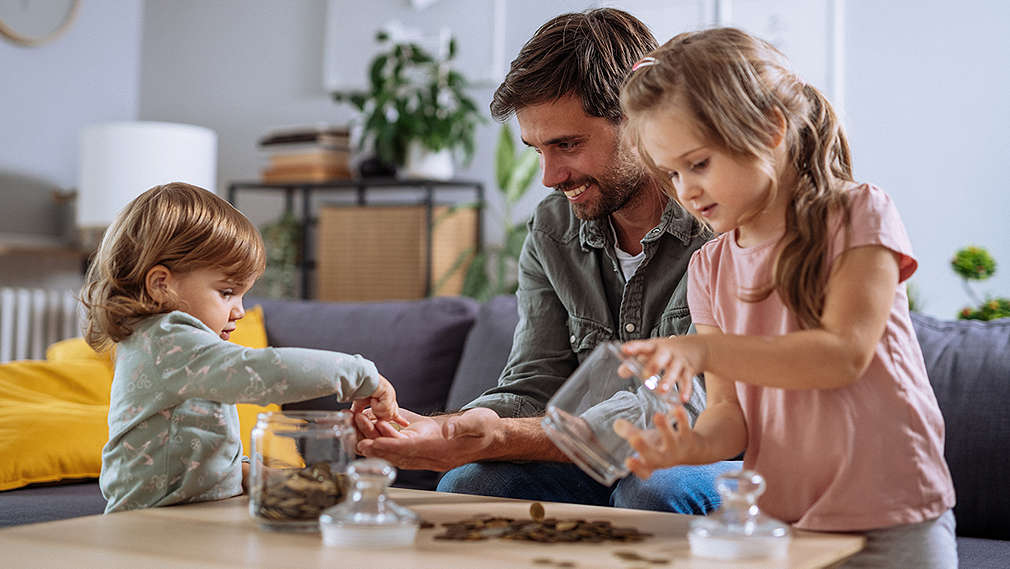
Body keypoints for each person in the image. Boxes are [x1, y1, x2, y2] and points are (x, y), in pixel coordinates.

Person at [355, 8, 738, 514]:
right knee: (472, 485)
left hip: (713, 449)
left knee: (652, 489)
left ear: (642, 121)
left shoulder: (722, 225)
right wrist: (445, 428)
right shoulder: (553, 228)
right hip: (591, 457)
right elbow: (535, 382)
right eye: (537, 149)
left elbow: (688, 409)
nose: (550, 175)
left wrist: (499, 438)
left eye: (568, 144)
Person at [615, 28, 956, 567]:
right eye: (672, 174)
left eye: (698, 164)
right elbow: (729, 415)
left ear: (770, 129)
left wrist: (703, 352)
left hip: (894, 513)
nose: (685, 190)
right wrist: (689, 448)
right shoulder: (709, 267)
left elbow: (842, 355)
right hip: (783, 522)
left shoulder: (857, 215)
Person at [81, 183, 405, 513]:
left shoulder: (178, 351)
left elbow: (191, 438)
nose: (239, 310)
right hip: (148, 526)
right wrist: (361, 375)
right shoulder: (167, 340)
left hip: (190, 517)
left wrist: (247, 472)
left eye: (242, 295)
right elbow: (265, 371)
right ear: (162, 285)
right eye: (226, 292)